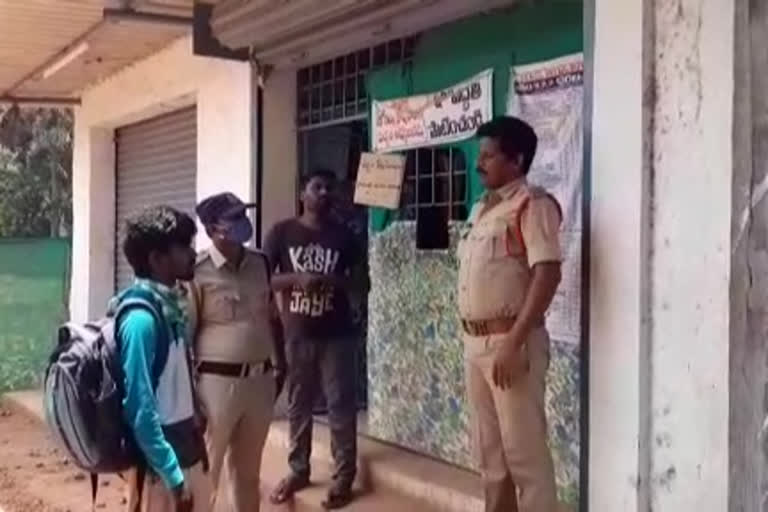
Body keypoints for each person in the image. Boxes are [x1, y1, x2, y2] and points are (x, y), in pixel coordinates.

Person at [457, 116, 562, 512]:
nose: (478, 163)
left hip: (512, 344)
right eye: (479, 155)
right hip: (476, 345)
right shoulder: (480, 208)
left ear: (516, 160)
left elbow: (548, 273)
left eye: (488, 156)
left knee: (525, 458)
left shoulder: (532, 205)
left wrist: (514, 341)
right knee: (492, 459)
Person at [265, 169, 365, 510]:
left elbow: (362, 284)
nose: (324, 193)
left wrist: (333, 282)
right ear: (301, 194)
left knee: (340, 406)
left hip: (338, 336)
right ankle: (298, 470)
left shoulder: (346, 236)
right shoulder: (281, 233)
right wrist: (298, 278)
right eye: (317, 187)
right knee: (299, 405)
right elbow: (264, 280)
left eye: (329, 188)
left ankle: (343, 477)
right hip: (297, 335)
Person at [186, 192, 287, 512]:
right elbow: (185, 337)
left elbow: (273, 318)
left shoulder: (260, 263)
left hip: (260, 382)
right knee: (205, 475)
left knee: (247, 476)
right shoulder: (196, 271)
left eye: (243, 215)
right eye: (234, 218)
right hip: (215, 386)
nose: (243, 224)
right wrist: (191, 399)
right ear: (213, 228)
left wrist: (280, 365)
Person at [117, 205, 209, 512]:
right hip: (161, 466)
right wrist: (173, 476)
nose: (193, 254)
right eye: (183, 247)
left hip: (187, 448)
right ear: (156, 259)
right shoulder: (141, 320)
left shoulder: (173, 308)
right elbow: (140, 409)